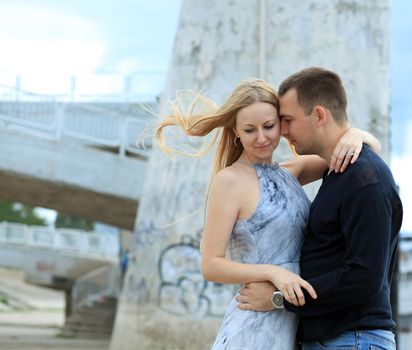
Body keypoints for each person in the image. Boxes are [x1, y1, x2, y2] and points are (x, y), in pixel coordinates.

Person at [155, 79, 381, 350]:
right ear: (236, 132)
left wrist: (355, 134)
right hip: (253, 325)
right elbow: (211, 264)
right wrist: (273, 273)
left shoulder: (291, 172)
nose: (261, 138)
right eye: (249, 130)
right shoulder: (229, 181)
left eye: (269, 126)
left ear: (282, 125)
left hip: (292, 322)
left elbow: (361, 152)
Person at [235, 68, 403, 350]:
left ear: (320, 116)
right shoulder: (340, 170)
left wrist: (278, 299)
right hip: (335, 341)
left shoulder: (365, 180)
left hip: (353, 341)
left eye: (287, 120)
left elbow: (364, 278)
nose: (282, 131)